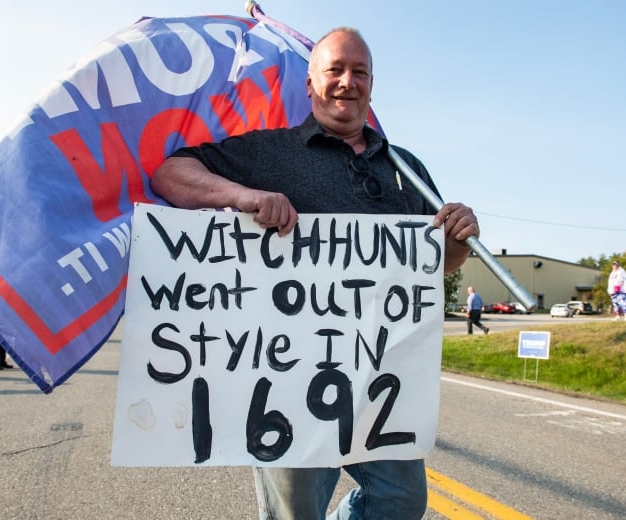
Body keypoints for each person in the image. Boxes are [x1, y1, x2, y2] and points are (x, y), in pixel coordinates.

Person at [151, 27, 480, 520]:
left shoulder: (404, 166)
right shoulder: (272, 152)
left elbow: (434, 263)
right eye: (335, 70)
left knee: (401, 501)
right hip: (288, 378)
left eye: (360, 72)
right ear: (310, 84)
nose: (348, 82)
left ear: (372, 85)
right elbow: (170, 175)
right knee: (296, 513)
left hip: (379, 375)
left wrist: (456, 241)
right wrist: (243, 197)